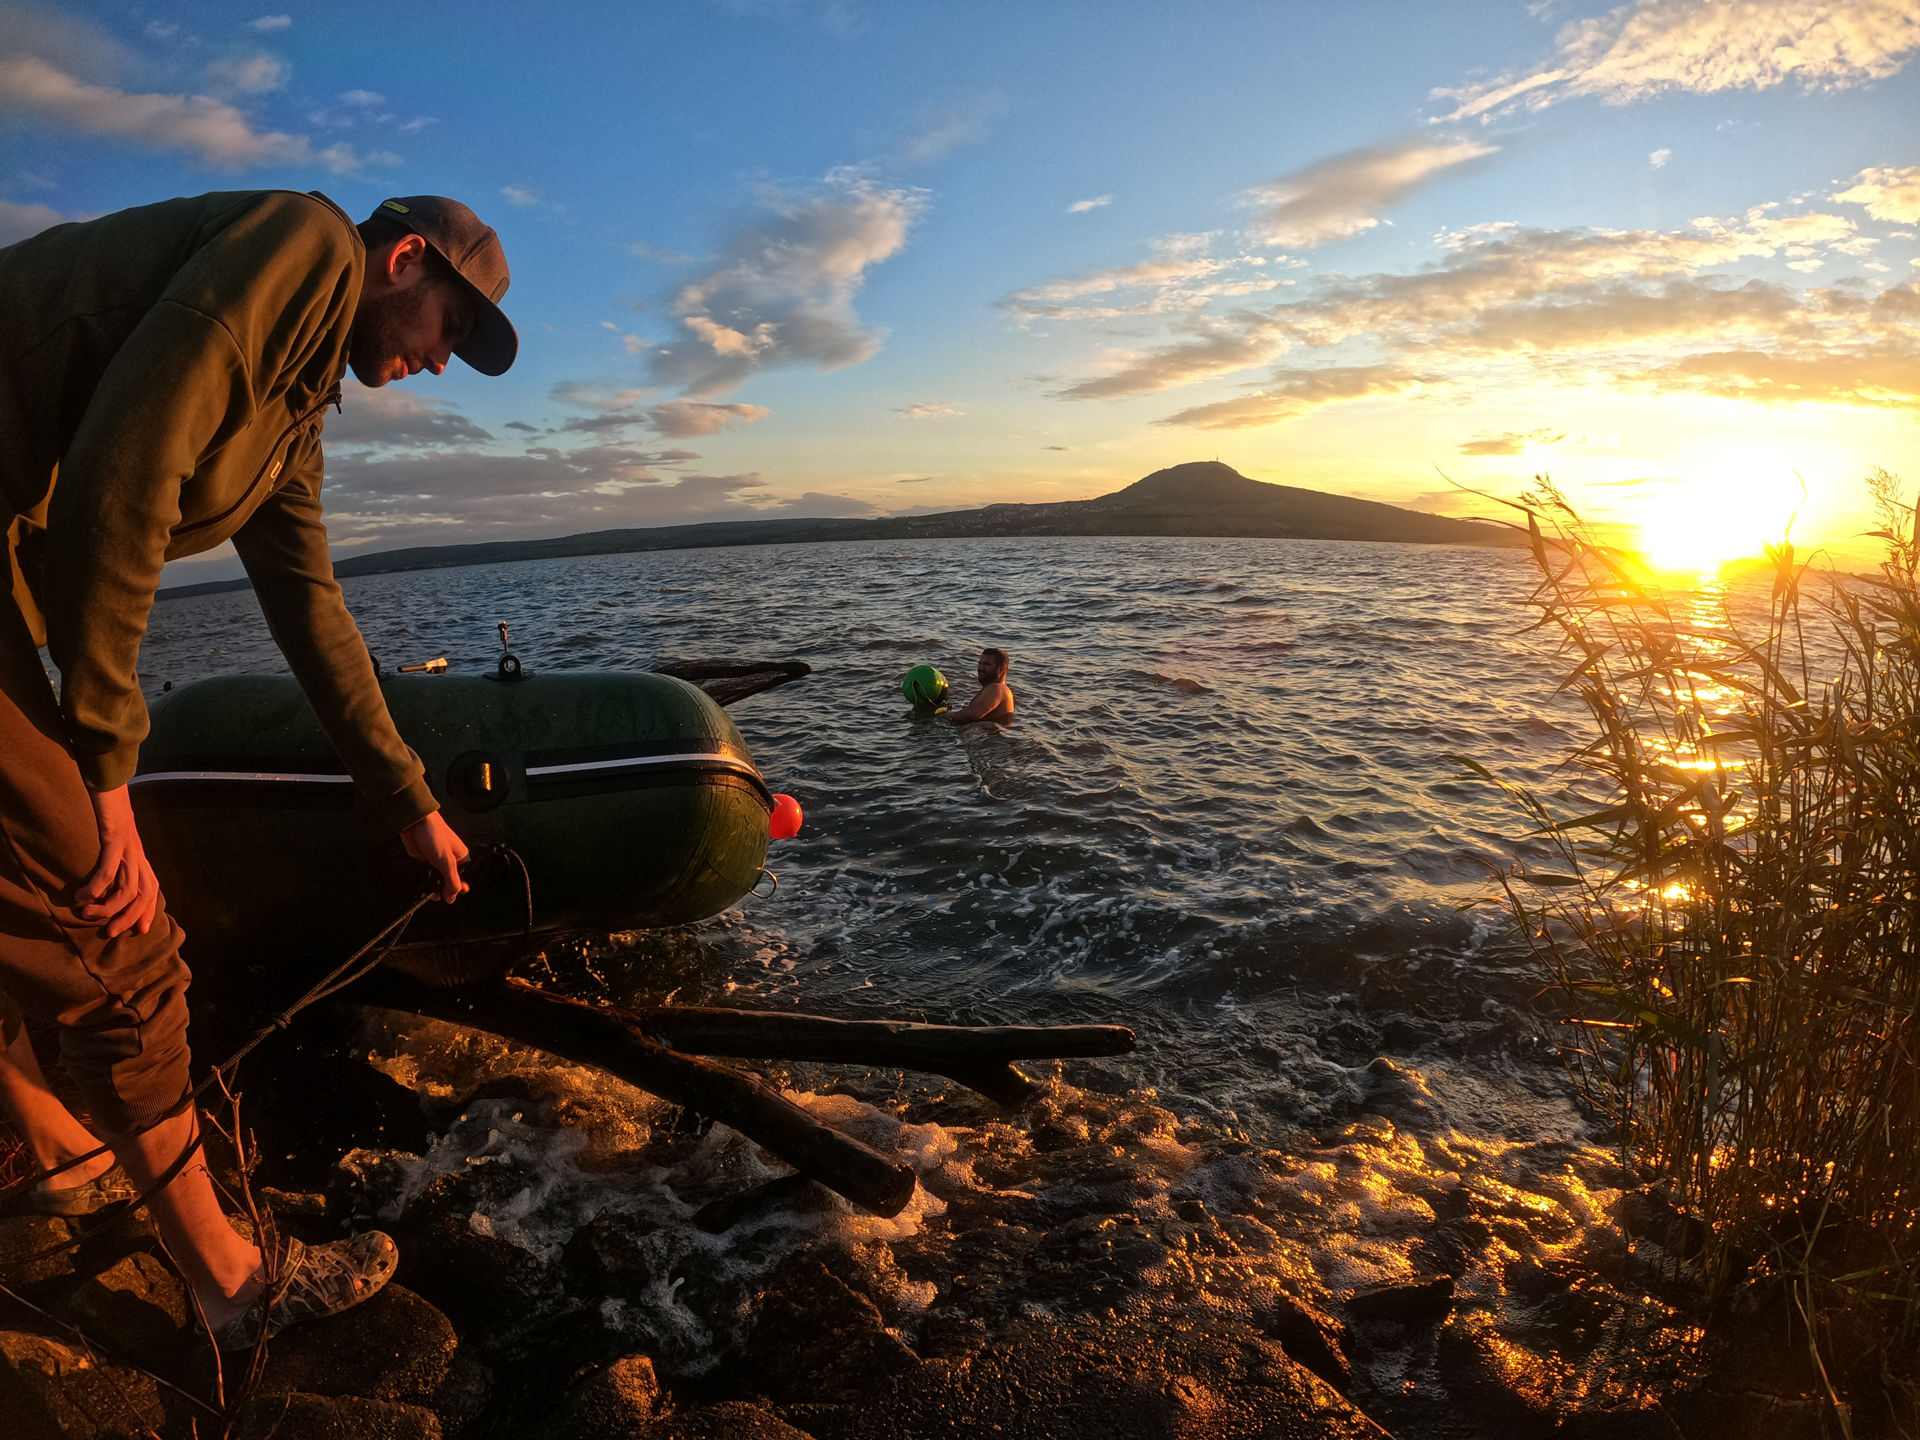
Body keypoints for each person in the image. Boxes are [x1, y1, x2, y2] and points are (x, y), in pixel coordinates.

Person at [0, 189, 517, 1348]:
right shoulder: (296, 245)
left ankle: (51, 1146)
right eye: (452, 327)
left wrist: (409, 802)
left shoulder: (294, 410)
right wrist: (103, 766)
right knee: (113, 913)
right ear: (404, 259)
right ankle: (235, 1286)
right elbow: (118, 483)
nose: (444, 363)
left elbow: (311, 609)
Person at [948, 648, 1015, 724]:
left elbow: (972, 714)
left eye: (986, 664)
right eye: (980, 664)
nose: (980, 668)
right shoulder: (992, 689)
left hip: (989, 735)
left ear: (1002, 668)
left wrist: (946, 716)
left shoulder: (997, 688)